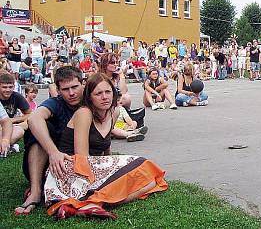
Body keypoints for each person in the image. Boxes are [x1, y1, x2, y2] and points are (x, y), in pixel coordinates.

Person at [42, 73, 168, 219]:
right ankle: (91, 203)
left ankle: (95, 204)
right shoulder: (84, 113)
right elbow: (81, 157)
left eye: (108, 92)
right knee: (142, 164)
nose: (104, 97)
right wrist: (109, 168)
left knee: (151, 181)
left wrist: (111, 168)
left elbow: (105, 146)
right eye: (98, 93)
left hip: (93, 166)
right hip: (71, 169)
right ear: (89, 97)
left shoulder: (113, 112)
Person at [15, 66, 84, 215]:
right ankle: (35, 190)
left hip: (74, 163)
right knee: (40, 127)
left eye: (75, 87)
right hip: (46, 164)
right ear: (58, 91)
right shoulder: (56, 103)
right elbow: (33, 117)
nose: (71, 93)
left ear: (82, 84)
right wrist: (53, 152)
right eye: (65, 89)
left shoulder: (90, 102)